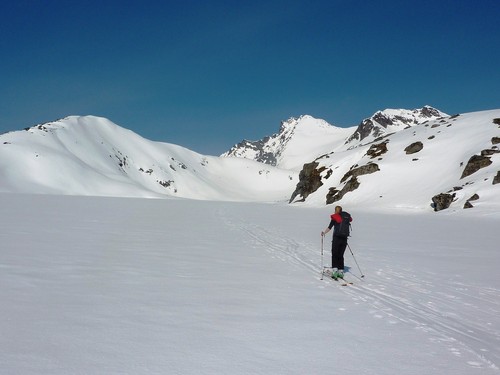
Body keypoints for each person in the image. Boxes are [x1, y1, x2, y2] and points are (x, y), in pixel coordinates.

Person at [321, 205, 352, 279]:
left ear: (335, 211)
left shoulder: (335, 217)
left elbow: (330, 227)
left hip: (336, 238)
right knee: (341, 255)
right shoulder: (346, 218)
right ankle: (341, 271)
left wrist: (324, 233)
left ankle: (335, 271)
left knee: (335, 253)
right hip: (344, 239)